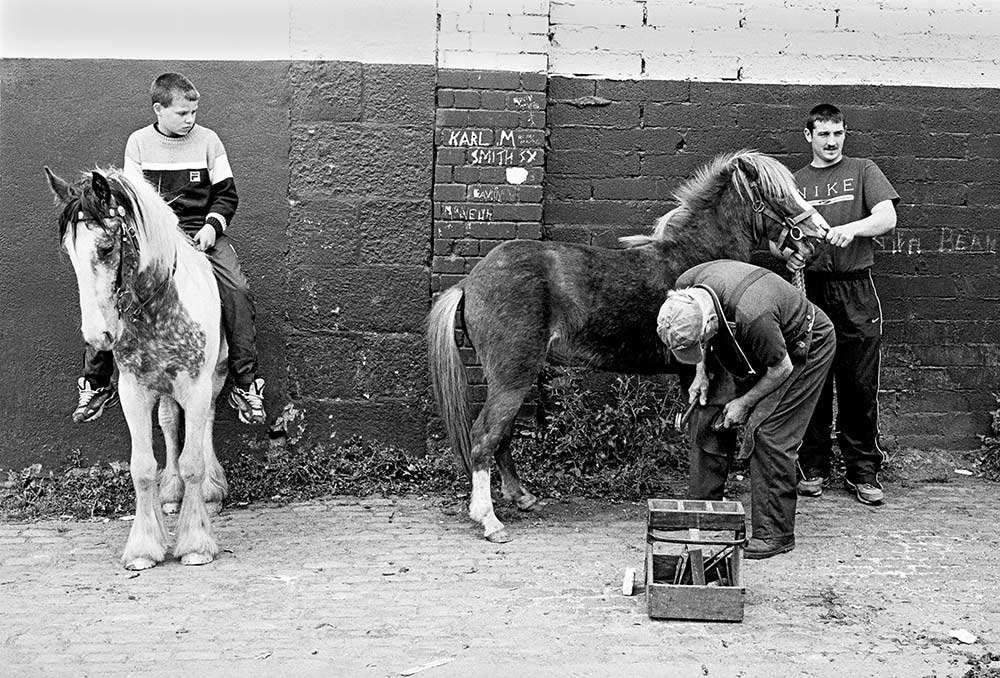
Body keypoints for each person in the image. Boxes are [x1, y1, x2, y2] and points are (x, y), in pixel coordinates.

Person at [73, 72, 266, 425]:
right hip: (156, 238)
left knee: (237, 289)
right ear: (158, 109)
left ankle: (245, 383)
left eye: (194, 112)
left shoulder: (209, 141)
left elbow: (226, 195)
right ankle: (97, 382)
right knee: (110, 282)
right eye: (182, 113)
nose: (190, 119)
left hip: (201, 233)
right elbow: (133, 201)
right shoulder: (138, 143)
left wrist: (211, 227)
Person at [657, 260, 835, 559]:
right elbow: (703, 340)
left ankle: (774, 534)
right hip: (745, 334)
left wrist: (744, 403)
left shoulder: (754, 315)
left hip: (802, 346)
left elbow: (780, 369)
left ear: (709, 322)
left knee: (768, 432)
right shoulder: (686, 288)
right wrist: (701, 374)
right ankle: (704, 513)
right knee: (706, 410)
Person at [791, 104, 899, 506]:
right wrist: (788, 254)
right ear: (809, 136)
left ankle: (862, 472)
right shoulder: (795, 183)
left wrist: (851, 230)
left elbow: (886, 217)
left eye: (838, 133)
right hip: (811, 290)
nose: (832, 142)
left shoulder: (864, 169)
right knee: (812, 381)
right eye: (823, 134)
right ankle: (813, 467)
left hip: (856, 290)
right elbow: (776, 238)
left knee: (859, 385)